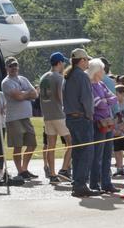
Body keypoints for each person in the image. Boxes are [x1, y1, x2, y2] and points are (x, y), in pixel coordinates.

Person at [62, 48, 96, 198]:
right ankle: (81, 184)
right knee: (86, 153)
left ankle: (77, 183)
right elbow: (87, 100)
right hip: (81, 118)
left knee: (77, 152)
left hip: (71, 118)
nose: (88, 62)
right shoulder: (81, 76)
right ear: (82, 60)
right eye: (86, 59)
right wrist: (90, 116)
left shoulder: (68, 76)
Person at [1, 57, 38, 179]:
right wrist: (25, 94)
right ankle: (20, 171)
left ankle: (25, 169)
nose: (13, 68)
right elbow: (18, 97)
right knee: (18, 145)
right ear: (6, 68)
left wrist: (23, 93)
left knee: (32, 143)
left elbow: (35, 94)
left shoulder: (23, 79)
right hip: (14, 118)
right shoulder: (6, 82)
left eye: (15, 65)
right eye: (11, 66)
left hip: (26, 117)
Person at [38, 51, 71, 184]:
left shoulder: (43, 77)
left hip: (47, 115)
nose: (64, 65)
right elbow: (60, 96)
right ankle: (64, 169)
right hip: (59, 114)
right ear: (59, 63)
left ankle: (52, 174)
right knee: (71, 142)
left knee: (51, 145)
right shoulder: (58, 77)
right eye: (63, 62)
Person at [87, 58, 117, 194]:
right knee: (97, 155)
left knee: (107, 154)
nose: (104, 71)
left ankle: (106, 182)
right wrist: (106, 100)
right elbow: (99, 103)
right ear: (96, 71)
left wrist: (106, 100)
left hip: (108, 122)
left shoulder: (102, 84)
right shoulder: (90, 85)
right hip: (98, 123)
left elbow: (113, 97)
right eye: (102, 69)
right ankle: (94, 183)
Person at [112, 84, 124, 176]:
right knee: (117, 150)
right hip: (115, 132)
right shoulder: (114, 104)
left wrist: (121, 129)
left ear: (122, 94)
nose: (114, 96)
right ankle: (119, 168)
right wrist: (114, 130)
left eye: (116, 94)